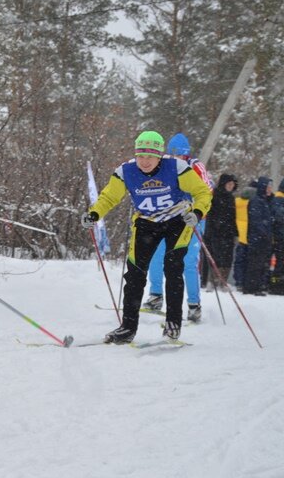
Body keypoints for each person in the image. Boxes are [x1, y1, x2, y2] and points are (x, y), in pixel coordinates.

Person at [81, 131, 212, 344]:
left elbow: (202, 192)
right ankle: (127, 328)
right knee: (135, 274)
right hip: (146, 222)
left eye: (150, 156)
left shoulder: (177, 167)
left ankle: (173, 324)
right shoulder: (125, 171)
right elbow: (109, 197)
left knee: (173, 267)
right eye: (140, 156)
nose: (145, 161)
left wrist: (197, 212)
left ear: (160, 155)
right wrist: (94, 214)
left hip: (177, 221)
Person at [141, 133, 213, 322]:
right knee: (156, 255)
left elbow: (207, 191)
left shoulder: (195, 166)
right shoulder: (163, 165)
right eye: (173, 155)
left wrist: (196, 210)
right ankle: (155, 296)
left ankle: (194, 305)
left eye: (180, 155)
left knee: (188, 261)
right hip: (168, 217)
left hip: (192, 219)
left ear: (186, 155)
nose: (176, 159)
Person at [200, 173, 238, 290]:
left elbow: (232, 216)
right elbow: (210, 215)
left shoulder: (231, 197)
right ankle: (212, 281)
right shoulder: (214, 195)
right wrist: (211, 231)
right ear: (223, 184)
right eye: (229, 184)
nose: (231, 186)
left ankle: (223, 281)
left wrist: (234, 231)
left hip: (228, 233)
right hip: (215, 232)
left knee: (227, 258)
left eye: (232, 184)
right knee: (215, 256)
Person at [241, 176, 274, 295]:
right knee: (255, 264)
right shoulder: (256, 201)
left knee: (261, 264)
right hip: (257, 239)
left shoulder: (264, 200)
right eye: (268, 187)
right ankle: (251, 288)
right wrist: (265, 234)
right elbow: (256, 221)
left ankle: (257, 286)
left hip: (262, 239)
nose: (270, 189)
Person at [271, 179, 284, 295]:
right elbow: (279, 217)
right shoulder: (279, 199)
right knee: (280, 262)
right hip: (280, 236)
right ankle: (276, 286)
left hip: (280, 235)